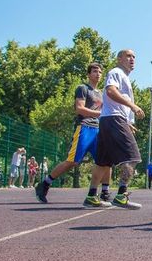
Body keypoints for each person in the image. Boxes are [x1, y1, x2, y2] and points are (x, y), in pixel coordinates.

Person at [36, 63, 113, 207]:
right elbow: (79, 109)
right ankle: (45, 184)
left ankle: (105, 193)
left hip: (98, 130)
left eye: (100, 72)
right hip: (84, 127)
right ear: (88, 74)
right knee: (72, 161)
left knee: (106, 161)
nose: (98, 74)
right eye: (95, 71)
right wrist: (100, 114)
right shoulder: (83, 88)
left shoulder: (102, 93)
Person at [91, 49, 145, 209]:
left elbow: (113, 101)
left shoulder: (124, 77)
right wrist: (132, 106)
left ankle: (91, 196)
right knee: (133, 157)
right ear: (119, 58)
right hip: (114, 119)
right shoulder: (116, 72)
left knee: (103, 162)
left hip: (108, 120)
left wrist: (127, 122)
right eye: (128, 56)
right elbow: (110, 91)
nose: (132, 59)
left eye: (134, 56)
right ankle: (121, 195)